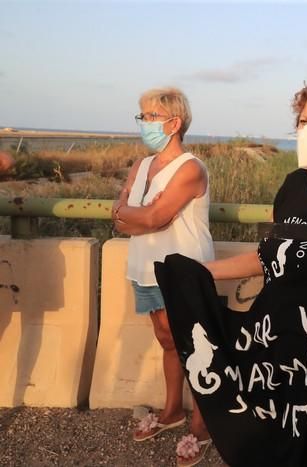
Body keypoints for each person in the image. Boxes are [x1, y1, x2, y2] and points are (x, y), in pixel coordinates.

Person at [154, 77, 307, 466]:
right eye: (304, 122)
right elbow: (271, 257)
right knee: (277, 450)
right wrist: (201, 274)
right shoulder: (292, 186)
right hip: (276, 356)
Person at [111, 87, 214, 467]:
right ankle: (172, 411)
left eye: (151, 117)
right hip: (145, 267)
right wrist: (134, 213)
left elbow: (154, 217)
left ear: (174, 122)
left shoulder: (190, 168)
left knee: (193, 347)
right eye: (143, 116)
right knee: (166, 339)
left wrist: (135, 214)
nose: (145, 124)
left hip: (181, 269)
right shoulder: (141, 165)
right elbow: (121, 213)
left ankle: (202, 424)